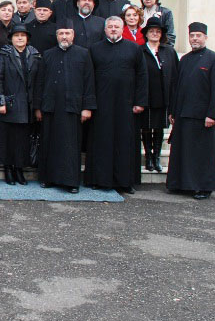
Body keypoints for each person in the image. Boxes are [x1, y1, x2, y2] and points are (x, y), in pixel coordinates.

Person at [85, 17, 148, 193]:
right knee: (101, 142)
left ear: (123, 29)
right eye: (110, 27)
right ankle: (99, 180)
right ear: (105, 30)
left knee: (125, 142)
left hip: (126, 105)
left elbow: (142, 76)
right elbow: (88, 78)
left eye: (116, 27)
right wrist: (89, 103)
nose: (113, 29)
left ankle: (125, 182)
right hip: (101, 105)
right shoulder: (94, 49)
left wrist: (140, 102)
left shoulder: (134, 49)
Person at [33, 22, 96, 193]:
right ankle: (48, 178)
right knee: (49, 143)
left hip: (72, 107)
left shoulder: (83, 54)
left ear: (73, 35)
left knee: (70, 146)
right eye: (61, 33)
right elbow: (40, 82)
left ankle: (70, 182)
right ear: (56, 35)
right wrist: (38, 106)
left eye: (67, 33)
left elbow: (89, 81)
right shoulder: (48, 55)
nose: (64, 37)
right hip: (51, 107)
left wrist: (87, 107)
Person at [167, 22, 215, 199]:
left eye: (198, 35)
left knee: (202, 154)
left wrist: (213, 114)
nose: (194, 38)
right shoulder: (185, 59)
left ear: (205, 38)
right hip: (183, 114)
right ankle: (181, 184)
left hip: (203, 117)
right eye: (192, 35)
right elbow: (177, 87)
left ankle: (203, 187)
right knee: (183, 152)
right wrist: (173, 111)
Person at [0, 24, 41, 185]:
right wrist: (0, 102)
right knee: (8, 139)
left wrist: (37, 106)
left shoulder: (34, 54)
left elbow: (39, 81)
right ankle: (8, 169)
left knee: (22, 139)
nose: (19, 38)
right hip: (10, 103)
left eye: (22, 35)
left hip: (28, 105)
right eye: (16, 35)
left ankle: (19, 169)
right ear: (11, 39)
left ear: (27, 38)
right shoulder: (4, 54)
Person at [140, 16, 179, 175]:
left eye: (157, 31)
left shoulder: (168, 51)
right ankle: (148, 156)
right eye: (151, 31)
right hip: (147, 95)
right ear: (147, 33)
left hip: (164, 96)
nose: (154, 34)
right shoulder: (140, 51)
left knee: (159, 128)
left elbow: (176, 75)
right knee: (146, 128)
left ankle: (156, 157)